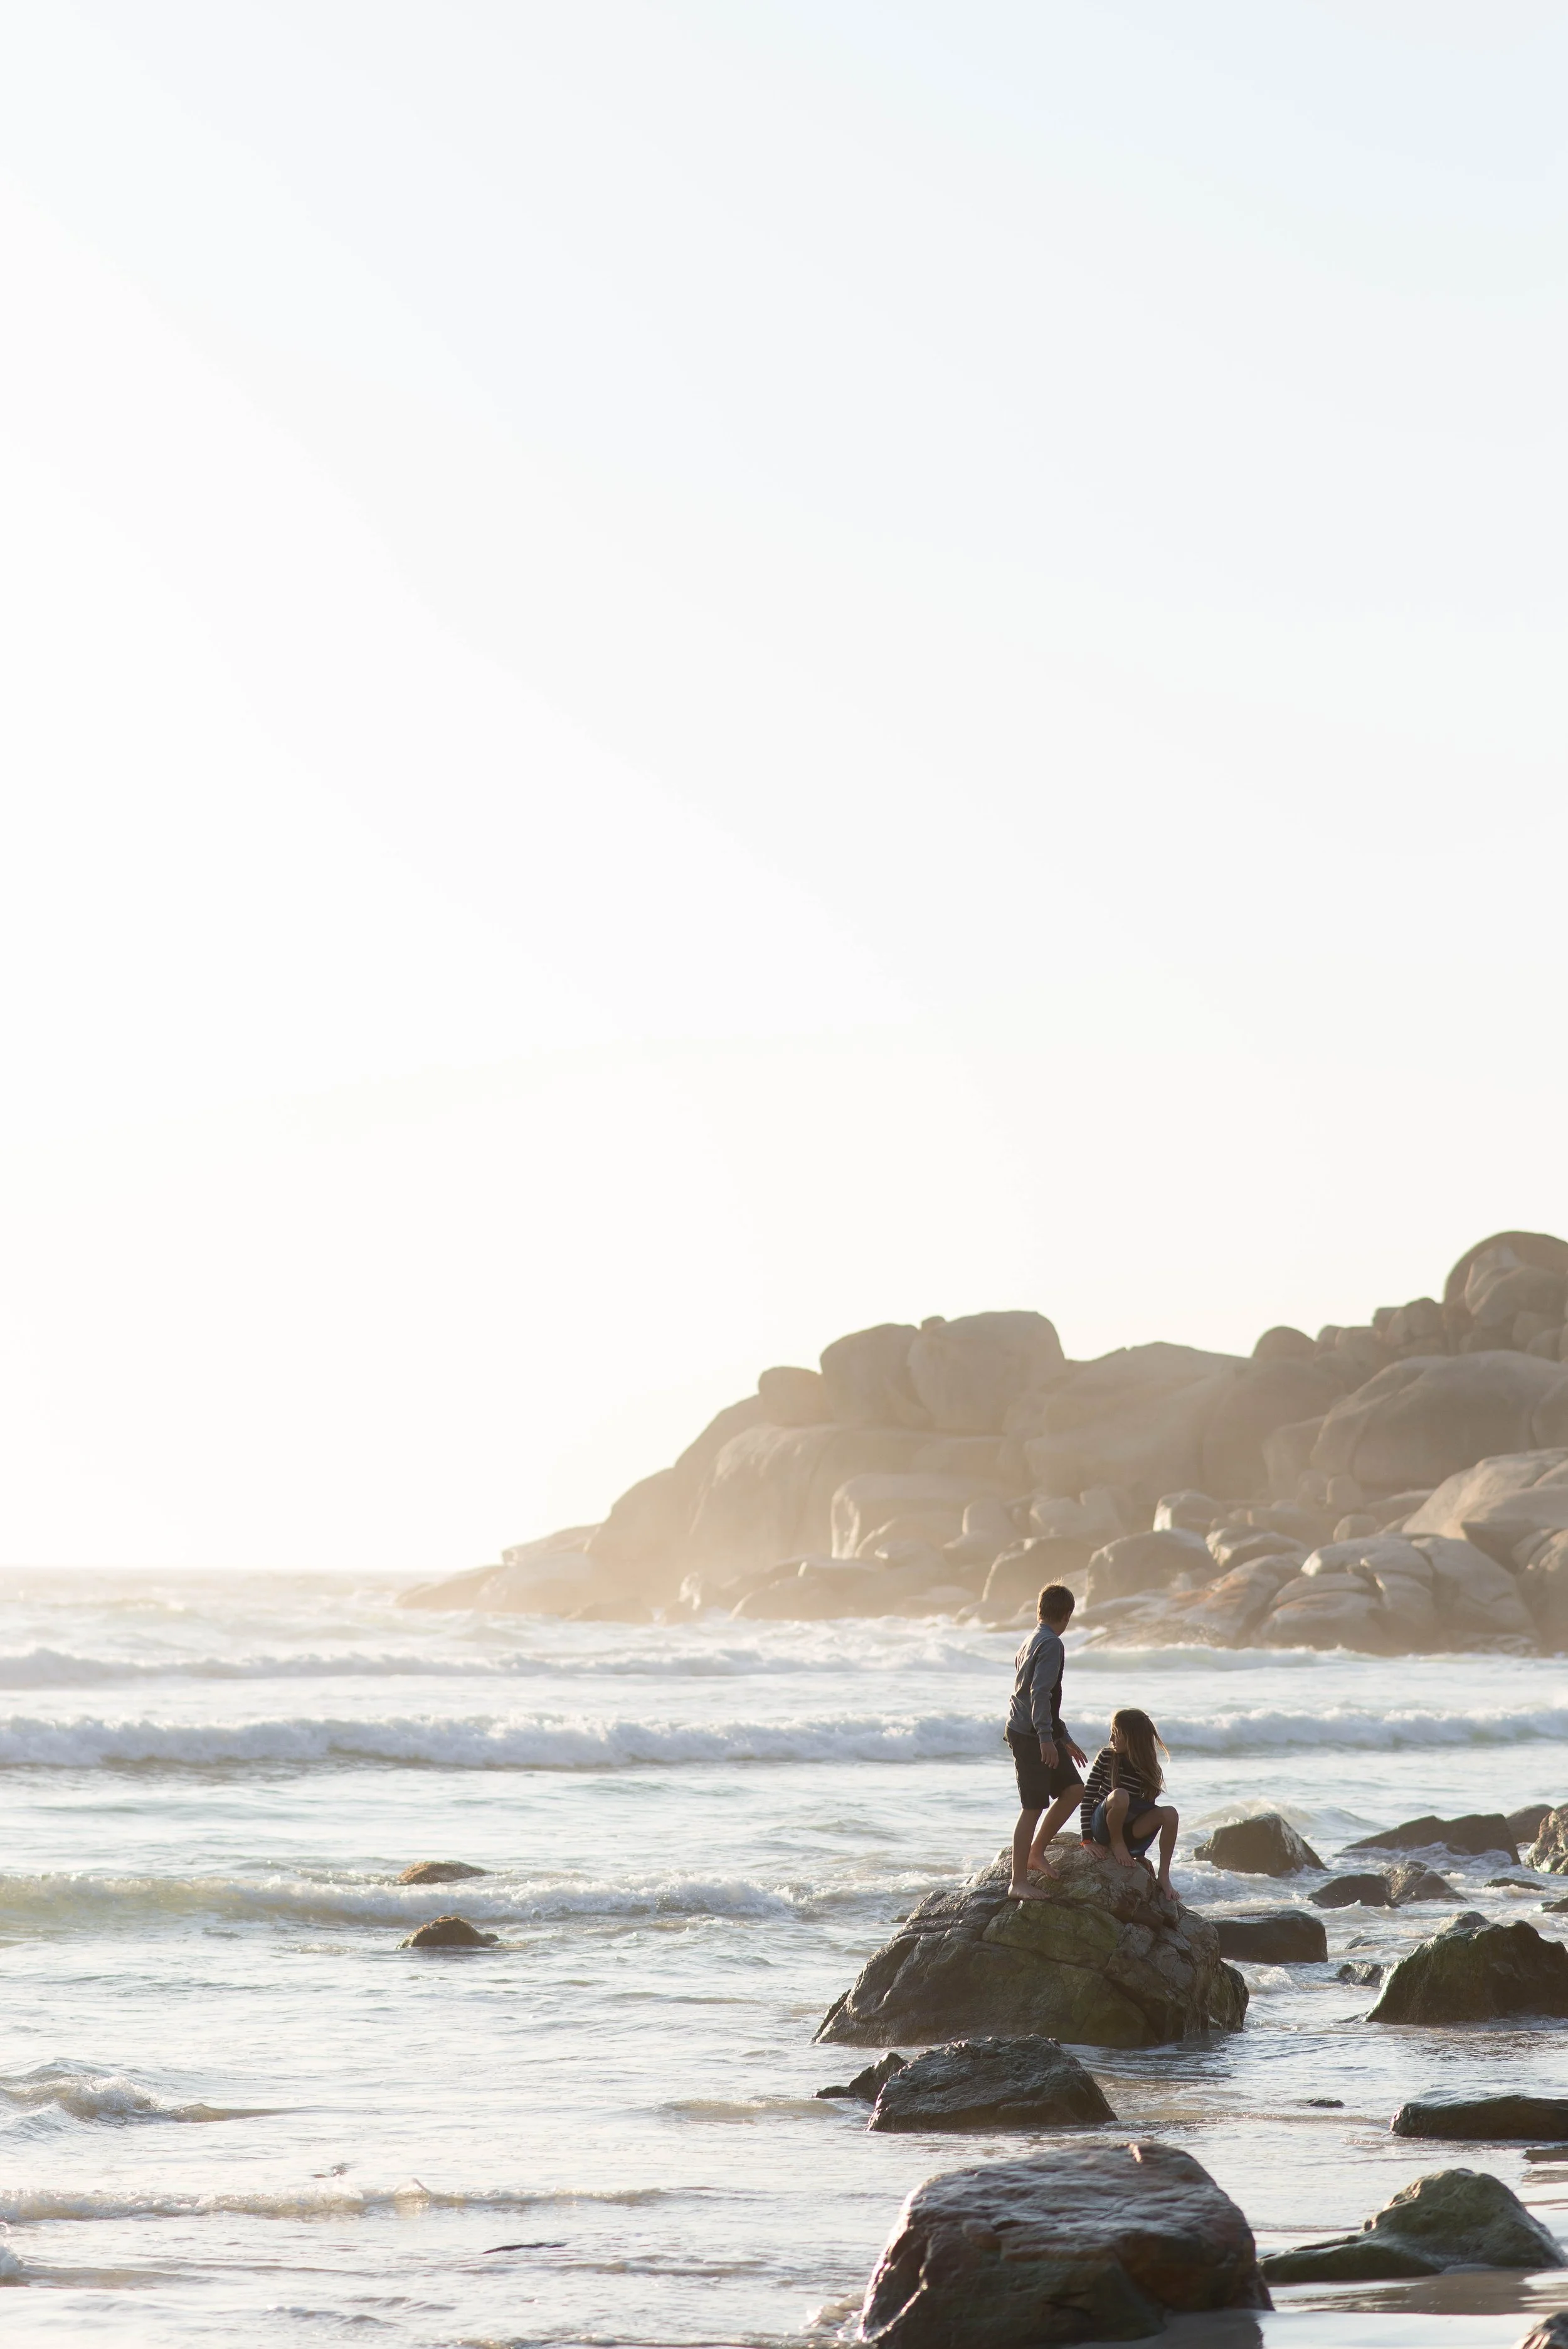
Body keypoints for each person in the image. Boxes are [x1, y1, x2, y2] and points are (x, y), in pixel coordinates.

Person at [1005, 1584, 1086, 1900]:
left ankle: (1036, 1852)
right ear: (1067, 1615)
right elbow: (1039, 1693)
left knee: (1074, 1791)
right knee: (1033, 1807)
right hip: (1030, 1736)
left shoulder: (1031, 1639)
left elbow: (1036, 1696)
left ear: (1040, 1611)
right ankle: (1018, 1882)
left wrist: (1061, 1737)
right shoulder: (1051, 1644)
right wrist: (1045, 1739)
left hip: (1037, 1730)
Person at [1078, 1706, 1179, 1908]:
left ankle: (1164, 1876)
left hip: (1129, 1830)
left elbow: (1145, 1810)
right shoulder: (1107, 1757)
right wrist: (1087, 1840)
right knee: (1121, 1795)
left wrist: (1140, 1856)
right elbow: (1088, 1796)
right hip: (1104, 1826)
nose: (1110, 1739)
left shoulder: (1149, 1767)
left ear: (1132, 1739)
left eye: (1116, 1734)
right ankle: (1117, 1845)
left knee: (1170, 1813)